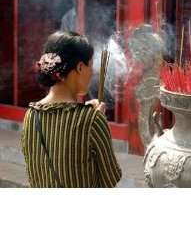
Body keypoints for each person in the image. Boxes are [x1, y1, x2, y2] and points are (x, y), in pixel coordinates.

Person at [21, 31, 122, 188]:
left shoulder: (31, 115)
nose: (93, 72)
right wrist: (98, 121)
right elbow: (110, 178)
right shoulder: (92, 120)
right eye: (91, 64)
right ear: (80, 67)